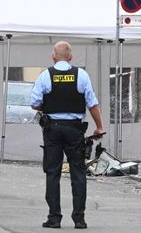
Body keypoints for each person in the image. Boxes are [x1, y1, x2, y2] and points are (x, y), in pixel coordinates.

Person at [31, 41, 104, 229]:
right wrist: (99, 127)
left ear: (53, 56)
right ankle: (79, 218)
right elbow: (92, 104)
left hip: (52, 129)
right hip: (74, 129)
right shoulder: (82, 75)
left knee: (53, 172)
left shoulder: (45, 75)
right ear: (71, 57)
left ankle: (54, 218)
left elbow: (35, 103)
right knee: (78, 173)